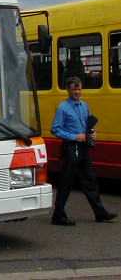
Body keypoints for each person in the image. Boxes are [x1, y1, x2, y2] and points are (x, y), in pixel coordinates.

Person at [51, 76, 117, 226]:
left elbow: (88, 124)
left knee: (90, 180)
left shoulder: (84, 106)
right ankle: (58, 215)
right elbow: (55, 129)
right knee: (66, 182)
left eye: (79, 89)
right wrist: (74, 136)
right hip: (70, 148)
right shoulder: (62, 108)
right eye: (74, 89)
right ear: (68, 90)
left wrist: (92, 133)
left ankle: (100, 213)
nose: (77, 92)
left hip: (83, 148)